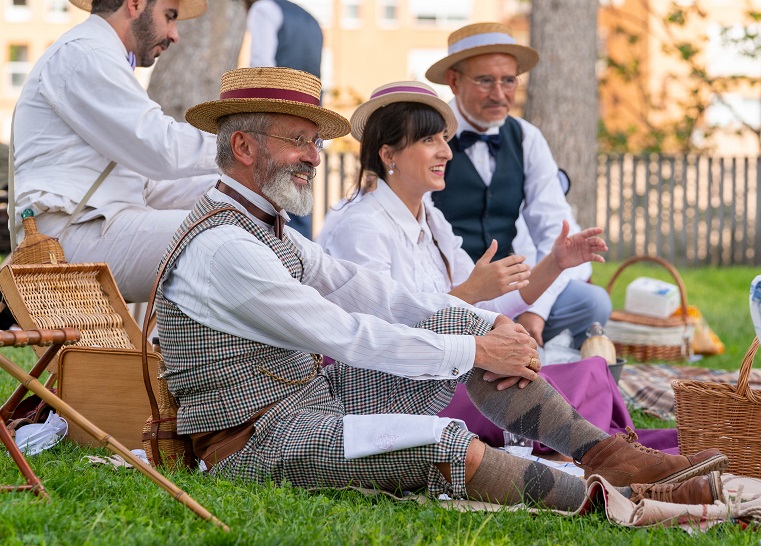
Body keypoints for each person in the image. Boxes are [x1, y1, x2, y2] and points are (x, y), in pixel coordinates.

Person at [156, 66, 728, 511]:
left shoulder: (264, 227)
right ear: (245, 148)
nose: (312, 156)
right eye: (297, 141)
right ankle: (608, 501)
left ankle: (609, 456)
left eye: (314, 142)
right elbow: (346, 333)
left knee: (459, 323)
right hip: (258, 446)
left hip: (317, 406)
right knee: (443, 442)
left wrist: (484, 326)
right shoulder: (224, 247)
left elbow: (365, 289)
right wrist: (476, 345)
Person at [317, 81, 676, 458]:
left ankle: (602, 447)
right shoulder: (361, 226)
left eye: (444, 138)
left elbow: (488, 309)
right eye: (429, 141)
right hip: (396, 387)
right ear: (388, 153)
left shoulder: (432, 219)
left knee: (579, 372)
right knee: (571, 381)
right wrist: (472, 293)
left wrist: (554, 264)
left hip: (449, 367)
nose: (446, 152)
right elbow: (380, 339)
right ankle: (605, 450)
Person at [10, 0, 216, 303]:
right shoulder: (86, 54)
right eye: (169, 17)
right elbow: (161, 148)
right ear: (134, 4)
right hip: (64, 239)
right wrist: (251, 151)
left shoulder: (97, 55)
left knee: (248, 224)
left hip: (89, 229)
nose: (175, 34)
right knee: (226, 238)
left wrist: (246, 186)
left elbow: (145, 182)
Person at [426, 22, 612, 349]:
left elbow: (554, 229)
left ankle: (530, 357)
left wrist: (534, 310)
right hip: (450, 287)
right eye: (485, 80)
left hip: (511, 286)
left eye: (508, 80)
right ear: (454, 82)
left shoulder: (527, 138)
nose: (500, 94)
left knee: (593, 303)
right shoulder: (426, 136)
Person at [244, 0, 322, 240]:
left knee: (272, 191)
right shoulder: (312, 20)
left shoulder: (264, 9)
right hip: (311, 113)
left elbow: (261, 68)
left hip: (278, 114)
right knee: (300, 190)